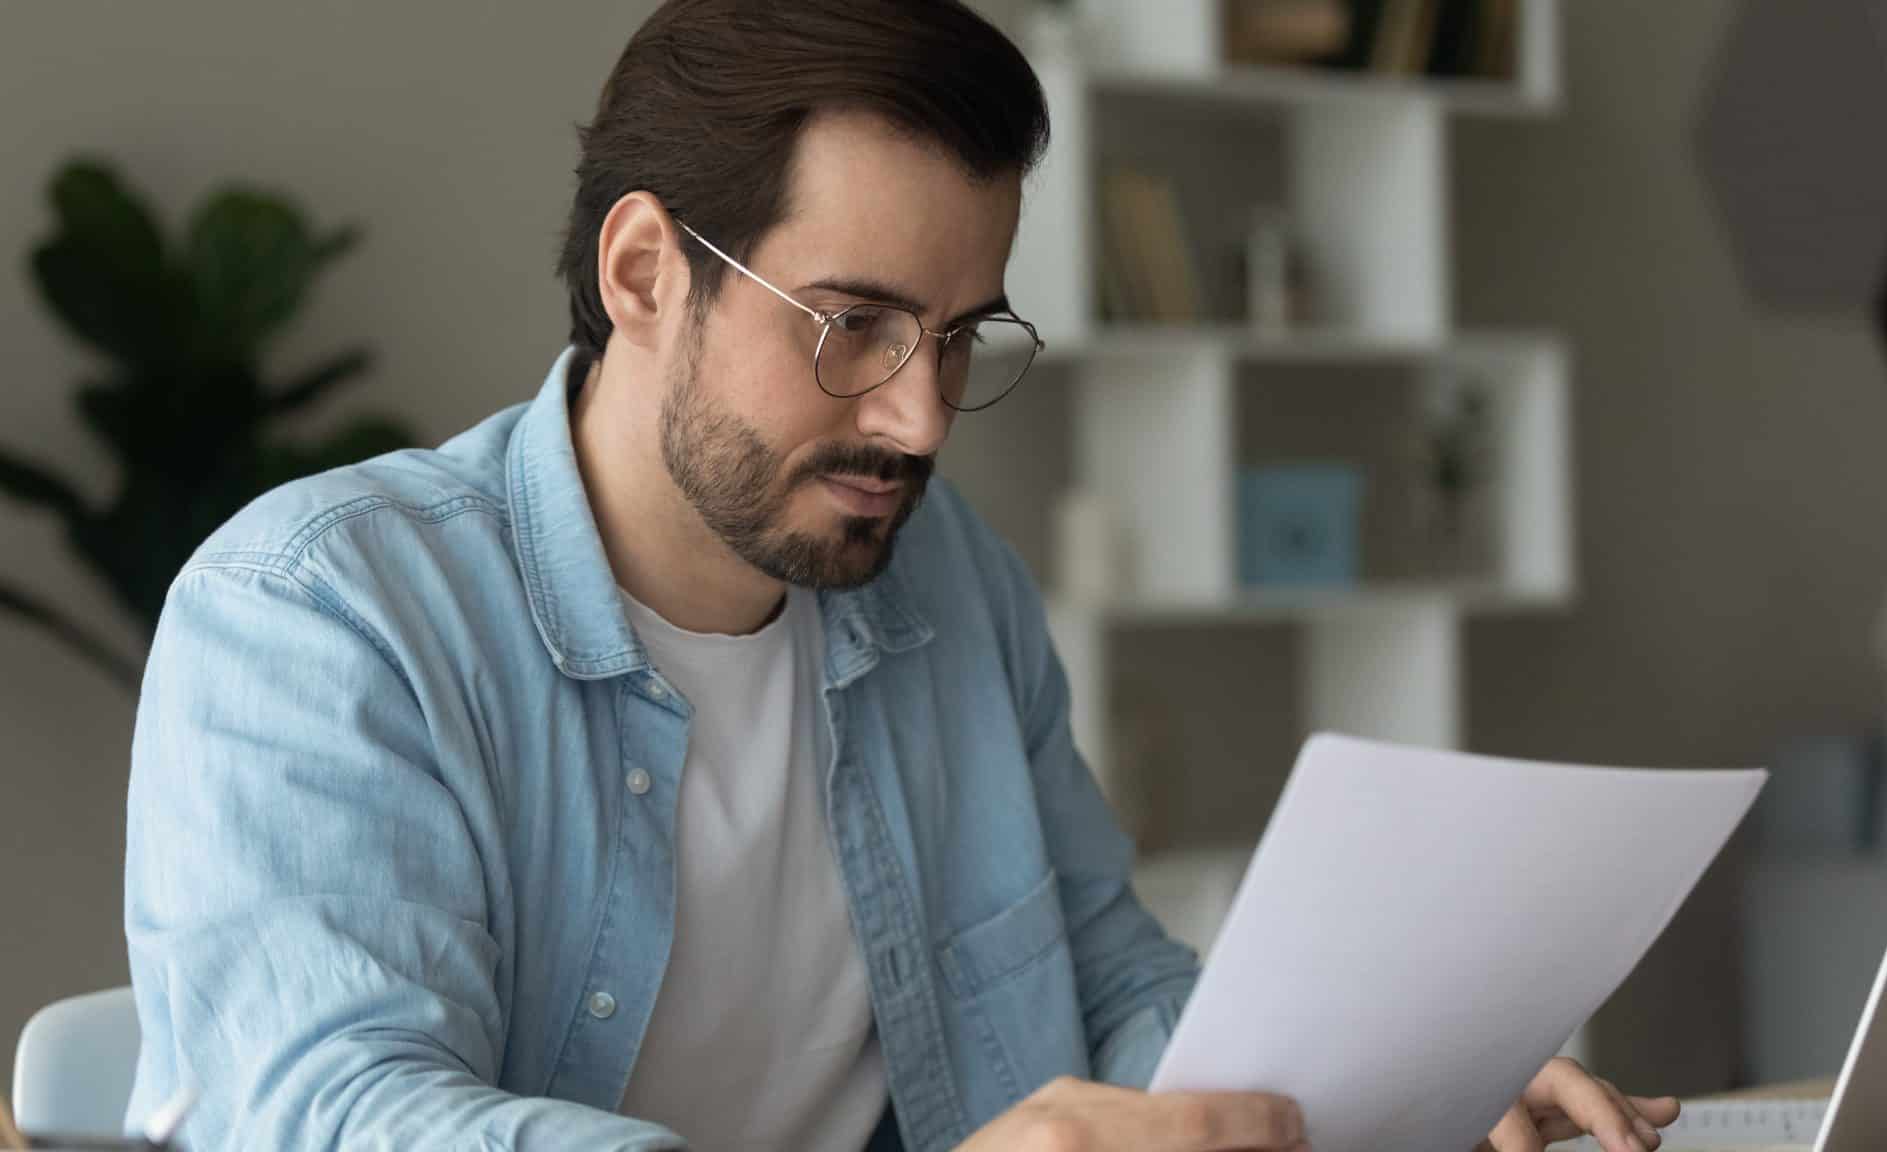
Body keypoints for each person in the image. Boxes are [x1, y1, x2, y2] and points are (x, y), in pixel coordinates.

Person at [124, 2, 1680, 1150]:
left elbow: (1106, 973)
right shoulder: (317, 615)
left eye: (957, 336)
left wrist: (1381, 1094)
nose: (918, 418)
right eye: (851, 326)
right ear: (645, 273)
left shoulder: (949, 588)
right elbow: (334, 1111)